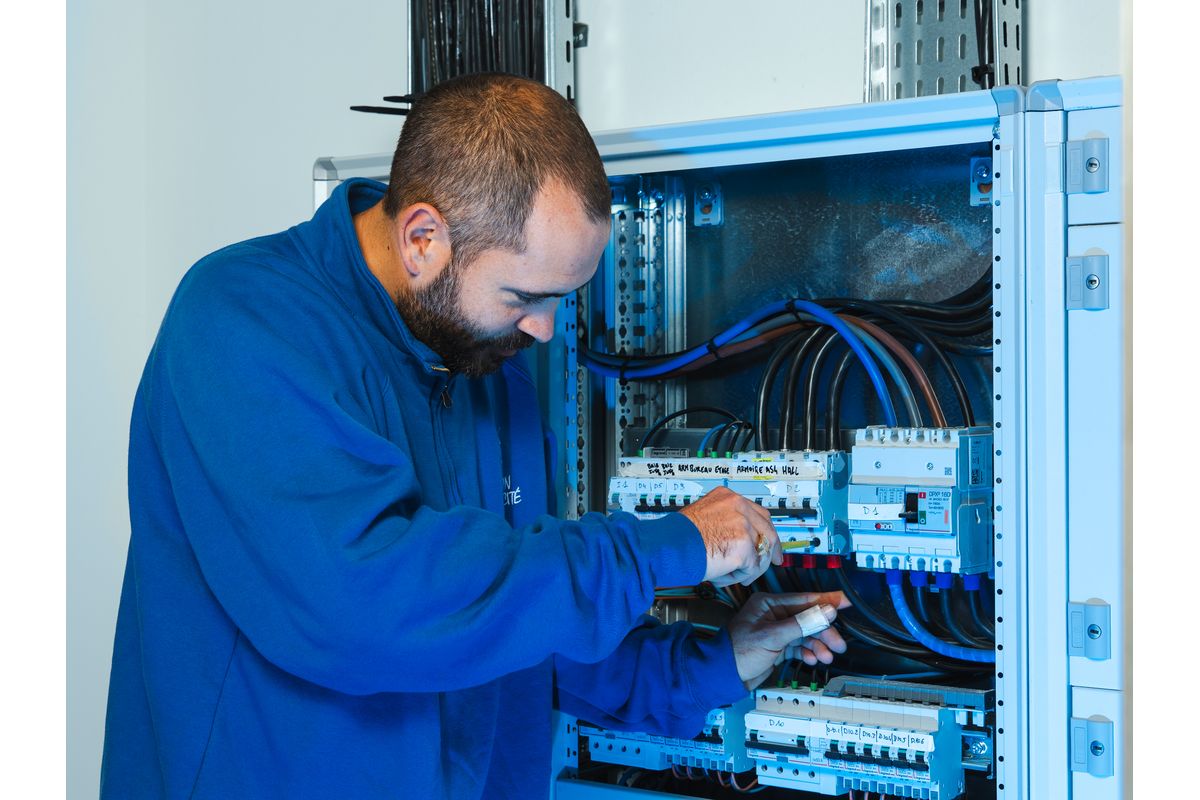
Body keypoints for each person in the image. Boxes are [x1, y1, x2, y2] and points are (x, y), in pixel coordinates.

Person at [100, 72, 848, 799]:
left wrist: (719, 662)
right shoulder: (244, 323)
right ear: (424, 237)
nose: (546, 330)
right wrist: (670, 546)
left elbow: (514, 624)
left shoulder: (484, 358)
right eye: (525, 295)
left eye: (560, 299)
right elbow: (371, 607)